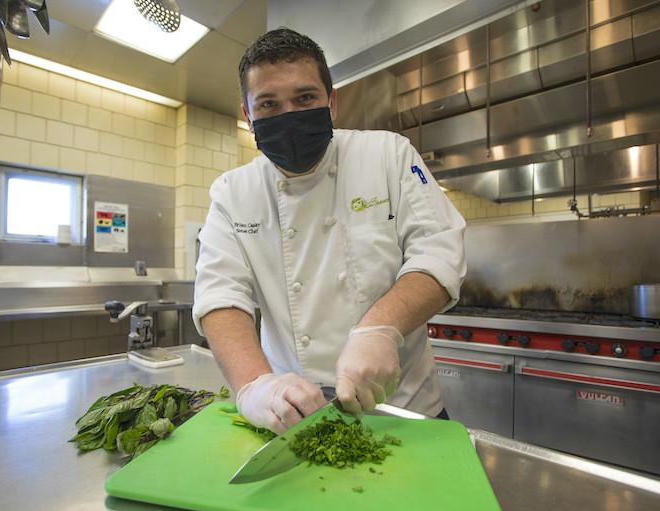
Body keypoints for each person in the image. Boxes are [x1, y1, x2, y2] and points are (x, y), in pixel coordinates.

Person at [193, 28, 466, 434]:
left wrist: (380, 328)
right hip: (293, 417)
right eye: (268, 104)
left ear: (331, 101)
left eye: (304, 98)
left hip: (406, 412)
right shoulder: (233, 193)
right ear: (248, 115)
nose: (288, 114)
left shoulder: (388, 156)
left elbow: (439, 253)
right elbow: (220, 295)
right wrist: (254, 385)